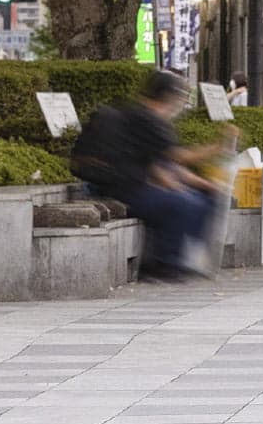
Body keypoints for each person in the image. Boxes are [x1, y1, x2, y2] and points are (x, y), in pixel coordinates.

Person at [71, 70, 231, 282]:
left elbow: (158, 162)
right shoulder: (146, 118)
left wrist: (196, 184)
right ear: (168, 97)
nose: (181, 105)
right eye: (181, 98)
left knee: (195, 199)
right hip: (123, 188)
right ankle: (165, 262)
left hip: (136, 184)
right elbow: (176, 156)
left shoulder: (147, 119)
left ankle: (182, 258)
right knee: (183, 203)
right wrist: (217, 148)